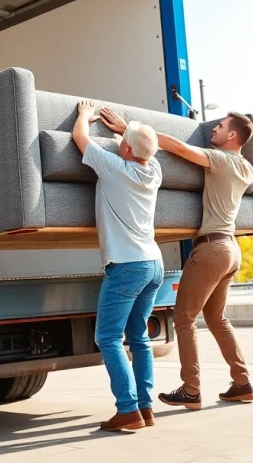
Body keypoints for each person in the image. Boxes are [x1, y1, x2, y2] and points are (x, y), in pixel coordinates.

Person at [100, 109, 253, 410]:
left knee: (184, 319)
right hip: (231, 249)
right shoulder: (248, 168)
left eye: (221, 127)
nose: (214, 130)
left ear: (233, 135)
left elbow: (180, 148)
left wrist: (132, 131)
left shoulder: (222, 160)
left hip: (210, 249)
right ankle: (242, 383)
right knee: (217, 318)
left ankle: (191, 389)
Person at [72, 100, 164, 432]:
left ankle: (127, 410)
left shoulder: (114, 168)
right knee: (138, 337)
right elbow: (146, 149)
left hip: (127, 265)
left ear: (125, 147)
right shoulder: (154, 171)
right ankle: (146, 407)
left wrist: (85, 114)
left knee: (108, 337)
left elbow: (81, 138)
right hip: (154, 263)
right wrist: (126, 129)